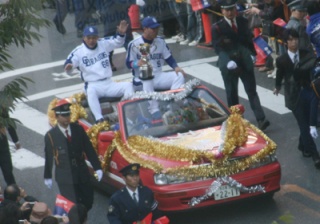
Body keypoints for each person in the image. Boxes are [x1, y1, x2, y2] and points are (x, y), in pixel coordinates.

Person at [211, 0, 270, 131]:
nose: (230, 12)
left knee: (251, 90)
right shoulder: (217, 27)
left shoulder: (242, 21)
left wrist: (253, 54)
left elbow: (248, 39)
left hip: (244, 61)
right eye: (227, 10)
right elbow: (217, 47)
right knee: (232, 93)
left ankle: (261, 118)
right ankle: (236, 121)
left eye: (232, 9)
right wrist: (227, 61)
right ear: (222, 11)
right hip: (229, 63)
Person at [64, 22, 134, 123]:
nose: (91, 40)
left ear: (97, 37)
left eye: (94, 38)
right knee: (91, 92)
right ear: (84, 38)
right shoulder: (78, 51)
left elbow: (117, 42)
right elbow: (69, 64)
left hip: (108, 83)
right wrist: (69, 67)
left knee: (128, 86)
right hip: (93, 85)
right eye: (89, 38)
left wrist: (121, 34)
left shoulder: (103, 43)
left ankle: (126, 112)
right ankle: (99, 119)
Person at [43, 99, 103, 211]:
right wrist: (47, 175)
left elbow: (88, 149)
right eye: (64, 116)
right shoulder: (51, 136)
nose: (67, 118)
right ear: (56, 116)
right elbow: (49, 157)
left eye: (68, 115)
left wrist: (97, 167)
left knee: (88, 201)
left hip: (81, 171)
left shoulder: (78, 129)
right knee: (72, 206)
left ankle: (82, 216)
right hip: (65, 175)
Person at [273, 28, 320, 168]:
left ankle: (302, 145)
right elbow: (280, 75)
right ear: (286, 42)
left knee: (307, 122)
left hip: (308, 92)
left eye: (296, 39)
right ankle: (315, 155)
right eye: (291, 40)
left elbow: (313, 65)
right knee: (304, 125)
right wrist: (277, 87)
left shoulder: (306, 53)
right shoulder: (282, 60)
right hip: (293, 96)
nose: (294, 42)